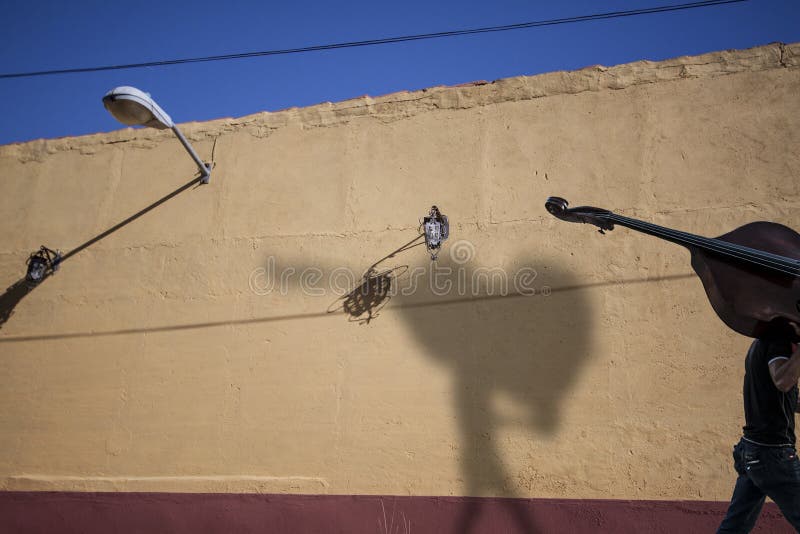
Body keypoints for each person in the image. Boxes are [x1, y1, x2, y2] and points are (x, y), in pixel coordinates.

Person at [718, 322, 800, 532]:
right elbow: (782, 380)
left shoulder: (760, 343)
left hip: (752, 451)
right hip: (772, 454)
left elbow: (783, 396)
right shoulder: (779, 338)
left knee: (734, 528)